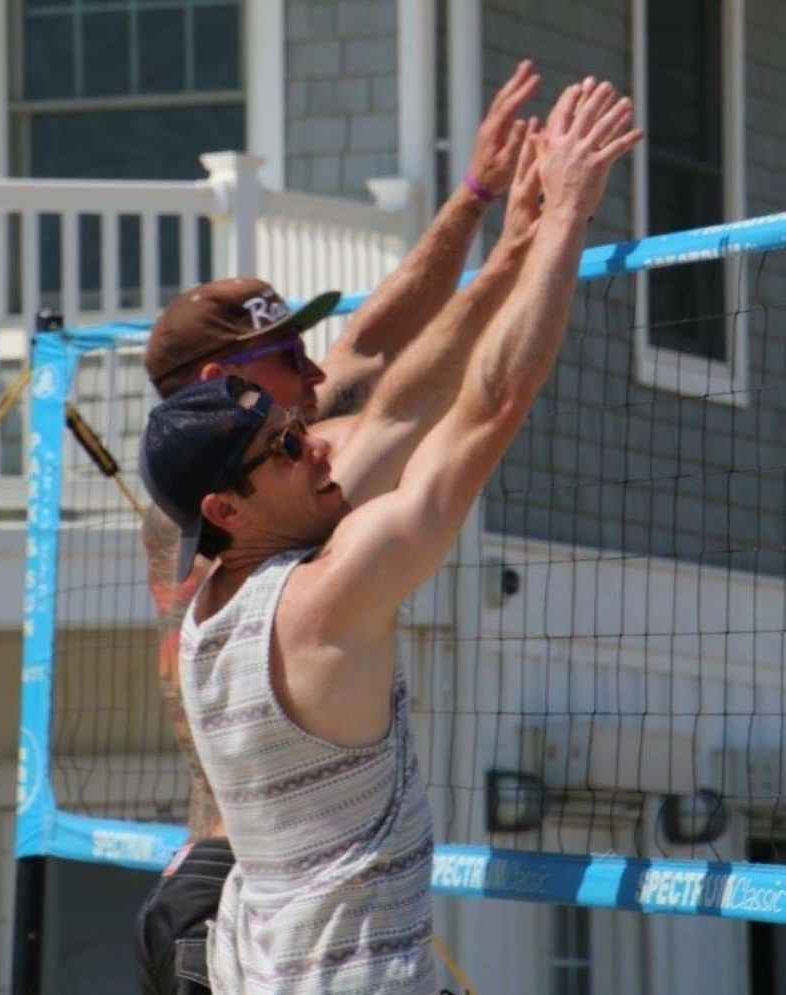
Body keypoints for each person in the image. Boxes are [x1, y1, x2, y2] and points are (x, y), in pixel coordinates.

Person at [139, 79, 642, 994]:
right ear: (229, 508)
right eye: (290, 442)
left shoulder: (217, 572)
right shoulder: (322, 590)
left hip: (259, 951)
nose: (316, 434)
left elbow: (381, 369)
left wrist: (497, 221)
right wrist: (565, 214)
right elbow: (482, 405)